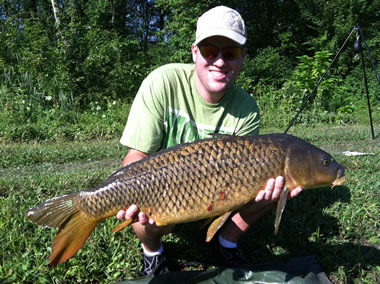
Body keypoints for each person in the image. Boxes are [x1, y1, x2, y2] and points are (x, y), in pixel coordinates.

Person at [117, 6, 302, 276]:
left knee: (270, 184)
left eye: (230, 53)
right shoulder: (162, 82)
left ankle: (226, 242)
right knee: (142, 205)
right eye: (209, 51)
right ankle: (153, 253)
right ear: (195, 52)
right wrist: (134, 192)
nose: (219, 61)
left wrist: (265, 195)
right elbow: (136, 156)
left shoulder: (247, 108)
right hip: (165, 190)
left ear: (243, 57)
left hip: (218, 193)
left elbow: (245, 176)